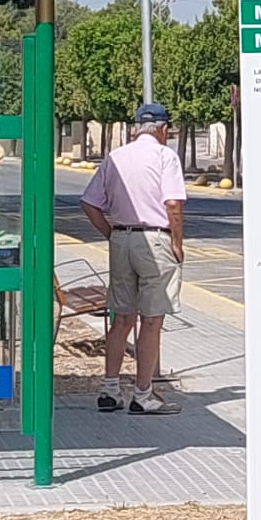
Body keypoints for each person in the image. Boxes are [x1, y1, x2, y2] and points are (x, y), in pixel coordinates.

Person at [80, 103, 187, 415]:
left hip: (121, 239)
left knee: (122, 318)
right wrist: (177, 243)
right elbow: (173, 206)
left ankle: (110, 389)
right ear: (164, 129)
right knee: (152, 320)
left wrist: (111, 233)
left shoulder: (116, 156)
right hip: (155, 240)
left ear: (137, 127)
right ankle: (143, 394)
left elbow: (89, 203)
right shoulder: (166, 157)